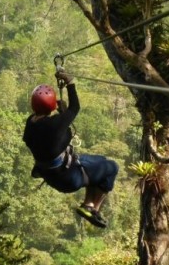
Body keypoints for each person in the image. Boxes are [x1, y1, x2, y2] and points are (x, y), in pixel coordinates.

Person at [23, 70, 119, 228]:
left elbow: (57, 131)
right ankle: (93, 208)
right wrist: (70, 83)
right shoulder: (55, 123)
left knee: (99, 161)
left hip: (52, 176)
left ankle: (88, 205)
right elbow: (75, 108)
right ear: (52, 104)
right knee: (111, 167)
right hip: (69, 177)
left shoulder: (30, 124)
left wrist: (62, 113)